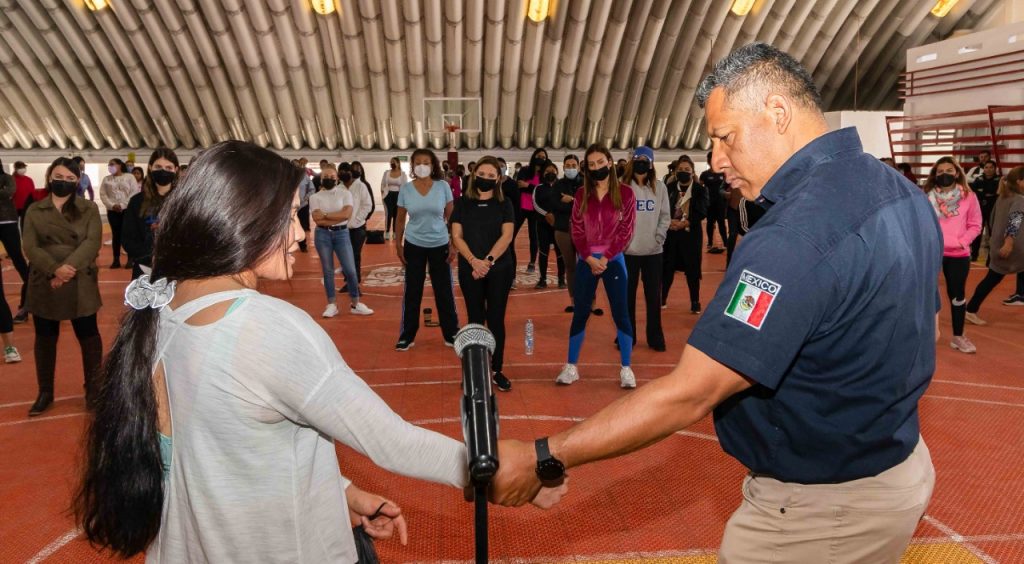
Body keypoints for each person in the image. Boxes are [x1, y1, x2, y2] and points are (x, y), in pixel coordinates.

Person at [491, 43, 942, 564]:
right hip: (897, 469)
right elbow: (924, 329)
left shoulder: (795, 234)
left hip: (821, 512)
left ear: (778, 113)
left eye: (725, 137)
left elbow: (689, 393)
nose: (716, 159)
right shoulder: (899, 191)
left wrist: (543, 456)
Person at [73, 140, 565, 562]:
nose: (302, 233)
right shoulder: (267, 328)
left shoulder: (160, 309)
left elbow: (226, 451)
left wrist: (340, 492)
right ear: (243, 221)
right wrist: (503, 467)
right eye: (289, 217)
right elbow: (392, 441)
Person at [23, 158, 104, 416]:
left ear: (78, 181)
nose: (64, 182)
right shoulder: (35, 210)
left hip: (79, 278)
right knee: (45, 337)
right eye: (59, 176)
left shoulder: (89, 208)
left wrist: (67, 269)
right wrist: (54, 269)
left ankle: (93, 390)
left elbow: (92, 242)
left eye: (71, 179)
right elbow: (30, 246)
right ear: (49, 177)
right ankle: (45, 391)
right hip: (46, 280)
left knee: (89, 335)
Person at [555, 144, 637, 389]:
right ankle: (571, 367)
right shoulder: (581, 194)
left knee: (621, 313)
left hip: (613, 262)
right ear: (587, 169)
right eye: (591, 165)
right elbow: (577, 229)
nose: (597, 167)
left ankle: (626, 368)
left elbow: (626, 230)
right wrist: (588, 257)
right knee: (580, 312)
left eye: (600, 162)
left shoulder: (626, 193)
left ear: (610, 162)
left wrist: (607, 257)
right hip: (587, 260)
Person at [450, 156, 516, 392]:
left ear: (498, 178)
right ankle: (476, 372)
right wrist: (473, 261)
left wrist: (486, 262)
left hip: (499, 268)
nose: (486, 179)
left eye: (491, 176)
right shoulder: (462, 203)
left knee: (496, 319)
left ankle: (496, 370)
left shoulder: (505, 203)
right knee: (475, 320)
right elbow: (457, 236)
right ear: (474, 174)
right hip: (471, 269)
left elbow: (506, 237)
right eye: (482, 174)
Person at [395, 148, 459, 350]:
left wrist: (454, 243)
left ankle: (451, 333)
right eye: (418, 162)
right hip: (414, 244)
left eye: (426, 162)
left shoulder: (443, 187)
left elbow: (452, 217)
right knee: (413, 291)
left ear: (433, 166)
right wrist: (398, 243)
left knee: (444, 291)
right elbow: (399, 218)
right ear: (413, 165)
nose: (422, 166)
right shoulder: (406, 189)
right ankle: (407, 335)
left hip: (439, 244)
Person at [924, 157, 981, 353]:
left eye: (949, 170)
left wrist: (961, 242)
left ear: (957, 172)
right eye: (940, 171)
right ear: (934, 175)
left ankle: (958, 337)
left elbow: (975, 225)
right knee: (926, 294)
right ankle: (925, 334)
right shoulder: (926, 197)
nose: (945, 174)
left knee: (957, 295)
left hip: (958, 254)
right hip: (931, 252)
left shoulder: (969, 197)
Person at [309, 163, 374, 318]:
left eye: (332, 177)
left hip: (342, 234)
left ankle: (356, 303)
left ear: (336, 178)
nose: (329, 179)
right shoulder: (314, 197)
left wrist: (325, 215)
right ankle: (332, 304)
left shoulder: (345, 194)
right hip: (322, 236)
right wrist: (333, 217)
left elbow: (346, 215)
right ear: (321, 178)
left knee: (350, 270)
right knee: (328, 271)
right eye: (326, 177)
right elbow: (317, 220)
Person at [622, 146, 670, 351]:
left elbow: (665, 216)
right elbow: (616, 217)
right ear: (633, 162)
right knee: (627, 297)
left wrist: (659, 237)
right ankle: (626, 336)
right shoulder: (622, 187)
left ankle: (655, 337)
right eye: (638, 158)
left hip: (653, 252)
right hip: (628, 252)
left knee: (653, 296)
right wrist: (622, 241)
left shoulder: (659, 188)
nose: (642, 162)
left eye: (646, 159)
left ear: (651, 164)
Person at [966, 166, 1024, 323]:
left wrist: (994, 240)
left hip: (999, 244)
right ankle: (971, 309)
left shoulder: (1003, 197)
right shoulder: (1019, 200)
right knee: (992, 279)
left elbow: (991, 220)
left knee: (991, 279)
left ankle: (971, 308)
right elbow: (1015, 220)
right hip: (1013, 249)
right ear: (1019, 181)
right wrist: (1009, 242)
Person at [123, 149, 179, 280]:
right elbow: (128, 238)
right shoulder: (137, 202)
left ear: (176, 170)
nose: (163, 171)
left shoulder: (185, 201)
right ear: (150, 168)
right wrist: (149, 257)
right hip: (144, 269)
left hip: (177, 270)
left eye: (168, 167)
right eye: (158, 167)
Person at [663, 156, 709, 314]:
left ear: (692, 172)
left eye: (687, 170)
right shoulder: (668, 188)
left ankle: (695, 301)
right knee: (667, 267)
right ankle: (662, 298)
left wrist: (685, 222)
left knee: (693, 270)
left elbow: (702, 211)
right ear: (675, 172)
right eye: (680, 170)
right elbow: (661, 209)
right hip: (670, 234)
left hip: (691, 235)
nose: (683, 172)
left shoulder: (700, 189)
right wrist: (669, 222)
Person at [551, 154, 588, 313]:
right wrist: (576, 206)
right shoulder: (558, 185)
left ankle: (590, 301)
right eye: (568, 165)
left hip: (585, 231)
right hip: (563, 230)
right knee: (570, 266)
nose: (571, 168)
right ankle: (573, 301)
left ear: (579, 167)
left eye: (574, 165)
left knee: (587, 265)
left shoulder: (587, 184)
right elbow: (555, 206)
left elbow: (588, 207)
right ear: (563, 167)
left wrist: (572, 201)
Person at [1, 160, 30, 323]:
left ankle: (29, 285)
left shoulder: (7, 178)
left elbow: (9, 193)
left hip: (8, 221)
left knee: (17, 257)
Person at [339, 162, 374, 292]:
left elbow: (367, 205)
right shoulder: (339, 188)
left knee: (354, 256)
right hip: (341, 229)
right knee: (343, 256)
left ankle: (355, 284)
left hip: (357, 229)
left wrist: (358, 219)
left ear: (350, 173)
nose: (343, 174)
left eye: (345, 171)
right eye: (340, 171)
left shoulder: (361, 186)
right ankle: (348, 282)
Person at [532, 161, 566, 289]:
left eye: (553, 171)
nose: (550, 173)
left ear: (557, 172)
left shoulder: (562, 186)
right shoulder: (538, 188)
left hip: (559, 225)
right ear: (543, 174)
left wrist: (557, 217)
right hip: (542, 225)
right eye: (547, 171)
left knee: (560, 252)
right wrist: (546, 214)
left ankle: (561, 279)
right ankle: (542, 279)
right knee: (543, 252)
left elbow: (566, 203)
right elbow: (535, 204)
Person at [100, 158, 136, 269]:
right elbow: (103, 194)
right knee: (116, 235)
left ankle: (130, 259)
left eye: (112, 164)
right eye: (109, 164)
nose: (110, 166)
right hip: (112, 211)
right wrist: (112, 205)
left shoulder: (129, 177)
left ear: (120, 165)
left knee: (128, 234)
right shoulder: (106, 179)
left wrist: (123, 205)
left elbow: (134, 192)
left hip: (127, 210)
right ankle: (116, 260)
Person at [516, 148, 548, 273]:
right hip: (522, 207)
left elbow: (542, 191)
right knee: (512, 233)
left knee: (533, 237)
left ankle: (532, 262)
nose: (541, 158)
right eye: (539, 155)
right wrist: (533, 188)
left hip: (535, 209)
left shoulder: (544, 174)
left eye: (543, 157)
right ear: (534, 156)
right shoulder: (525, 170)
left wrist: (528, 186)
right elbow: (519, 184)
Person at [969, 160, 1001, 261]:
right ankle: (974, 255)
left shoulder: (999, 180)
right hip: (980, 209)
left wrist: (985, 194)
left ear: (995, 169)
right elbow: (973, 193)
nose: (988, 169)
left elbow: (998, 194)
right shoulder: (979, 179)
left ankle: (991, 258)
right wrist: (984, 195)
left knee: (993, 234)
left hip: (994, 210)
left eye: (991, 167)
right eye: (986, 167)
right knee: (977, 233)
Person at [700, 151, 727, 253]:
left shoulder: (723, 174)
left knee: (721, 223)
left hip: (720, 202)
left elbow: (728, 186)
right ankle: (710, 242)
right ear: (708, 161)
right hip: (709, 203)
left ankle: (725, 242)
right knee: (710, 223)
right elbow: (699, 187)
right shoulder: (704, 174)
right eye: (711, 160)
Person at [381, 157, 407, 239]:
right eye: (391, 162)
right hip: (388, 195)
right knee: (389, 214)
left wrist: (403, 197)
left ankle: (395, 232)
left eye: (394, 162)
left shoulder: (403, 174)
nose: (392, 163)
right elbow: (382, 184)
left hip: (398, 195)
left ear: (398, 163)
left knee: (396, 214)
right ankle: (387, 232)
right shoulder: (387, 173)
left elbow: (405, 186)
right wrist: (383, 193)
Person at [294, 159, 316, 253]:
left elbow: (312, 189)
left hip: (303, 205)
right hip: (291, 207)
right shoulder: (286, 177)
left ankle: (303, 246)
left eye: (296, 165)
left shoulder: (305, 176)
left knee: (302, 226)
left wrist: (306, 198)